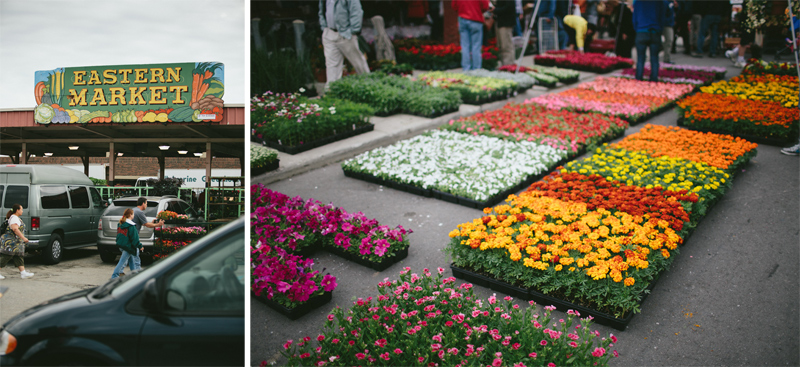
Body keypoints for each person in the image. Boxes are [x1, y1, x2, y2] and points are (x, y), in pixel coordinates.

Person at [318, 0, 371, 88]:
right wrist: (324, 27)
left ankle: (370, 86)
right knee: (331, 64)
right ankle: (331, 91)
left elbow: (356, 11)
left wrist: (353, 31)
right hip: (329, 33)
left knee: (358, 62)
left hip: (345, 34)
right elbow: (322, 11)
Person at [633, 0, 666, 81]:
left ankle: (638, 79)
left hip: (641, 31)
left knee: (640, 58)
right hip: (655, 31)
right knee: (654, 58)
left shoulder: (637, 1)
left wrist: (637, 29)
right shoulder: (659, 2)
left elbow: (634, 17)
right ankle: (654, 79)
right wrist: (659, 30)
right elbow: (662, 17)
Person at [452, 0, 491, 71]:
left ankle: (466, 69)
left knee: (465, 46)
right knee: (476, 46)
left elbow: (454, 6)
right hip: (476, 19)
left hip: (462, 19)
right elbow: (486, 6)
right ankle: (476, 70)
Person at [0, 204, 34, 279]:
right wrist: (23, 238)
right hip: (11, 243)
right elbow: (15, 229)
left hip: (16, 243)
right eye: (21, 209)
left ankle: (23, 273)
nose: (22, 211)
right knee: (6, 256)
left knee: (18, 256)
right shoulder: (14, 218)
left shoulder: (14, 217)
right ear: (17, 210)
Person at [131, 197, 165, 270]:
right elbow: (146, 224)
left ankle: (132, 272)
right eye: (146, 203)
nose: (146, 205)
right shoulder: (140, 212)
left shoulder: (133, 210)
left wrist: (152, 223)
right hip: (133, 237)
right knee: (135, 256)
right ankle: (136, 272)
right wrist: (158, 225)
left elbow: (143, 223)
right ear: (143, 203)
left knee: (131, 257)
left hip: (129, 236)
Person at [111, 209, 142, 279]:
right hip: (128, 246)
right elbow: (134, 238)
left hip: (122, 245)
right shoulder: (131, 226)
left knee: (131, 260)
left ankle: (134, 275)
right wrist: (140, 246)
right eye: (133, 214)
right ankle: (114, 276)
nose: (133, 215)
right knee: (122, 262)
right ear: (130, 215)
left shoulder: (121, 224)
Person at [495, 0, 519, 66]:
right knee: (501, 46)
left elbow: (508, 7)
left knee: (506, 46)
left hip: (506, 23)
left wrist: (495, 10)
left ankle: (509, 65)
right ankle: (504, 65)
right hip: (501, 22)